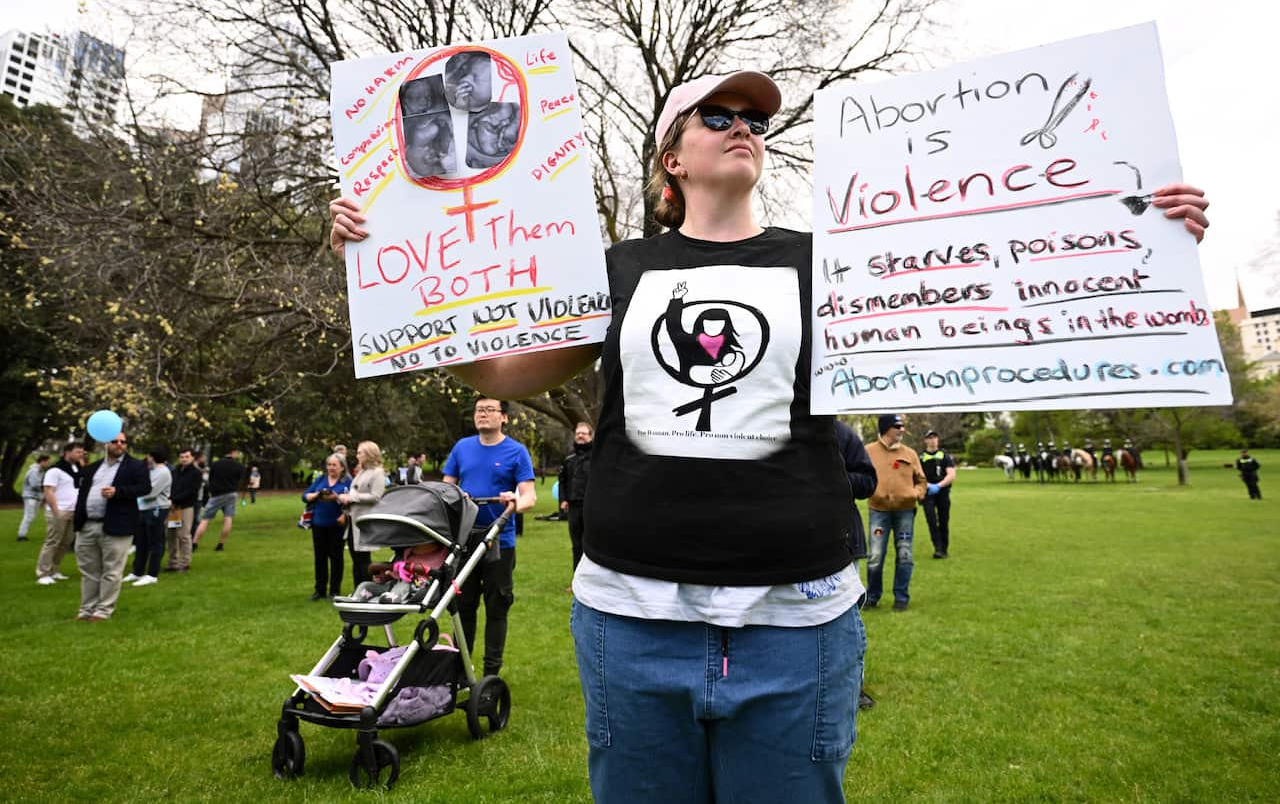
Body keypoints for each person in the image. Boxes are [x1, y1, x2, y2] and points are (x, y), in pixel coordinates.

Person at [330, 69, 1210, 802]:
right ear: (672, 156)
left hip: (798, 621)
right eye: (718, 115)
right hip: (633, 622)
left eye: (754, 119)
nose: (743, 126)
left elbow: (983, 281)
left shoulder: (829, 261)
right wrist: (388, 278)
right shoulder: (617, 270)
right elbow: (502, 372)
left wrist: (1138, 224)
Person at [442, 397, 536, 677]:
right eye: (478, 410)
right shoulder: (462, 448)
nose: (482, 415)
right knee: (464, 608)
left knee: (497, 608)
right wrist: (457, 497)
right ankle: (461, 672)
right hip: (465, 541)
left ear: (504, 417)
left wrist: (514, 500)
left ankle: (490, 675)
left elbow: (529, 495)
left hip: (499, 542)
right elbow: (446, 490)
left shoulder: (516, 452)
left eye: (489, 410)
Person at [73, 432, 150, 622]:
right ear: (106, 443)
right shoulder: (93, 468)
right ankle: (86, 609)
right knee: (89, 571)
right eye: (115, 441)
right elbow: (79, 487)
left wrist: (118, 492)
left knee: (112, 571)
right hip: (88, 524)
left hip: (117, 525)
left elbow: (144, 488)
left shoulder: (135, 466)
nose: (119, 445)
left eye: (123, 442)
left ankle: (103, 610)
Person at [834, 419, 877, 710]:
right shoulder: (774, 425)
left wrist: (830, 477)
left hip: (841, 542)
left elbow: (868, 482)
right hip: (788, 546)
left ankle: (854, 686)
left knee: (848, 620)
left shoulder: (841, 434)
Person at [865, 414, 928, 611]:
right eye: (897, 426)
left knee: (905, 554)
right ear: (886, 429)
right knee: (875, 556)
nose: (902, 429)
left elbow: (922, 480)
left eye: (902, 426)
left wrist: (915, 494)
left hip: (905, 513)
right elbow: (859, 475)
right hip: (878, 512)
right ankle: (873, 596)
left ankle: (901, 597)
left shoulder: (910, 453)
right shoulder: (868, 451)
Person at [301, 453, 352, 600]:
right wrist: (317, 495)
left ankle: (335, 590)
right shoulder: (321, 480)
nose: (331, 468)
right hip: (319, 523)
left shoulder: (347, 482)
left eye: (334, 465)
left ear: (342, 467)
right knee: (320, 557)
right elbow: (305, 496)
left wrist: (336, 497)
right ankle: (320, 589)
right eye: (329, 465)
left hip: (336, 524)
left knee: (336, 557)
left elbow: (352, 500)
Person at [338, 440, 388, 588]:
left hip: (365, 522)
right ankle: (357, 589)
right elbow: (355, 490)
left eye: (360, 452)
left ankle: (367, 589)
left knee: (363, 559)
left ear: (369, 454)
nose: (357, 455)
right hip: (353, 521)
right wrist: (346, 498)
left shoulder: (378, 473)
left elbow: (376, 496)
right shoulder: (361, 472)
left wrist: (352, 498)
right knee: (356, 558)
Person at [35, 442, 84, 585]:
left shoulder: (76, 468)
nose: (80, 455)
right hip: (59, 511)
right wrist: (56, 511)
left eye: (82, 452)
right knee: (52, 542)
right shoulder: (54, 470)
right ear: (67, 453)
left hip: (73, 511)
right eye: (77, 452)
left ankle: (54, 570)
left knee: (65, 542)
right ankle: (43, 573)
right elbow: (48, 491)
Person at [123, 448, 172, 587]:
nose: (146, 459)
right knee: (141, 542)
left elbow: (150, 491)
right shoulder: (152, 470)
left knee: (155, 542)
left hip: (156, 510)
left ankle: (152, 574)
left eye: (148, 456)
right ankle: (137, 571)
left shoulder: (163, 472)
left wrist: (132, 494)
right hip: (144, 509)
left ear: (152, 457)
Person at [558, 421, 594, 577]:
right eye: (578, 433)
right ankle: (577, 578)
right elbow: (563, 481)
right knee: (576, 545)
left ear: (591, 437)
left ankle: (593, 578)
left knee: (592, 544)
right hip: (574, 506)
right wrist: (563, 499)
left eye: (584, 433)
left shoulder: (598, 457)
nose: (580, 436)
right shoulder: (569, 460)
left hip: (592, 506)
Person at [193, 447, 244, 553]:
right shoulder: (239, 466)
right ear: (233, 453)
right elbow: (239, 480)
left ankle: (194, 543)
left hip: (217, 495)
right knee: (228, 518)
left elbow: (210, 479)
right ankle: (221, 544)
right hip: (231, 494)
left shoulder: (215, 464)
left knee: (205, 519)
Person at [919, 429, 957, 559]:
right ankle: (938, 548)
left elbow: (951, 474)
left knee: (943, 520)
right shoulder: (921, 457)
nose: (932, 440)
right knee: (931, 520)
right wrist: (927, 485)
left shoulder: (944, 455)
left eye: (935, 437)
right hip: (927, 492)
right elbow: (916, 475)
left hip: (942, 492)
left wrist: (939, 486)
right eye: (930, 437)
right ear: (926, 440)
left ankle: (944, 549)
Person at [165, 448, 200, 572]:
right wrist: (170, 500)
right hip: (173, 507)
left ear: (192, 458)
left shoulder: (195, 473)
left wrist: (175, 500)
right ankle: (172, 562)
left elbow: (191, 491)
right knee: (171, 535)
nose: (184, 459)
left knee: (184, 535)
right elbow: (170, 487)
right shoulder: (175, 471)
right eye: (182, 457)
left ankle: (185, 563)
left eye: (186, 456)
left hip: (185, 507)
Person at [19, 454, 51, 541]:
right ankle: (21, 535)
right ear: (42, 461)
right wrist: (47, 488)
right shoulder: (34, 471)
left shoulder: (40, 471)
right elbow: (34, 484)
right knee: (28, 516)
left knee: (31, 516)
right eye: (47, 462)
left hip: (36, 497)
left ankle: (22, 534)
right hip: (30, 496)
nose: (48, 464)